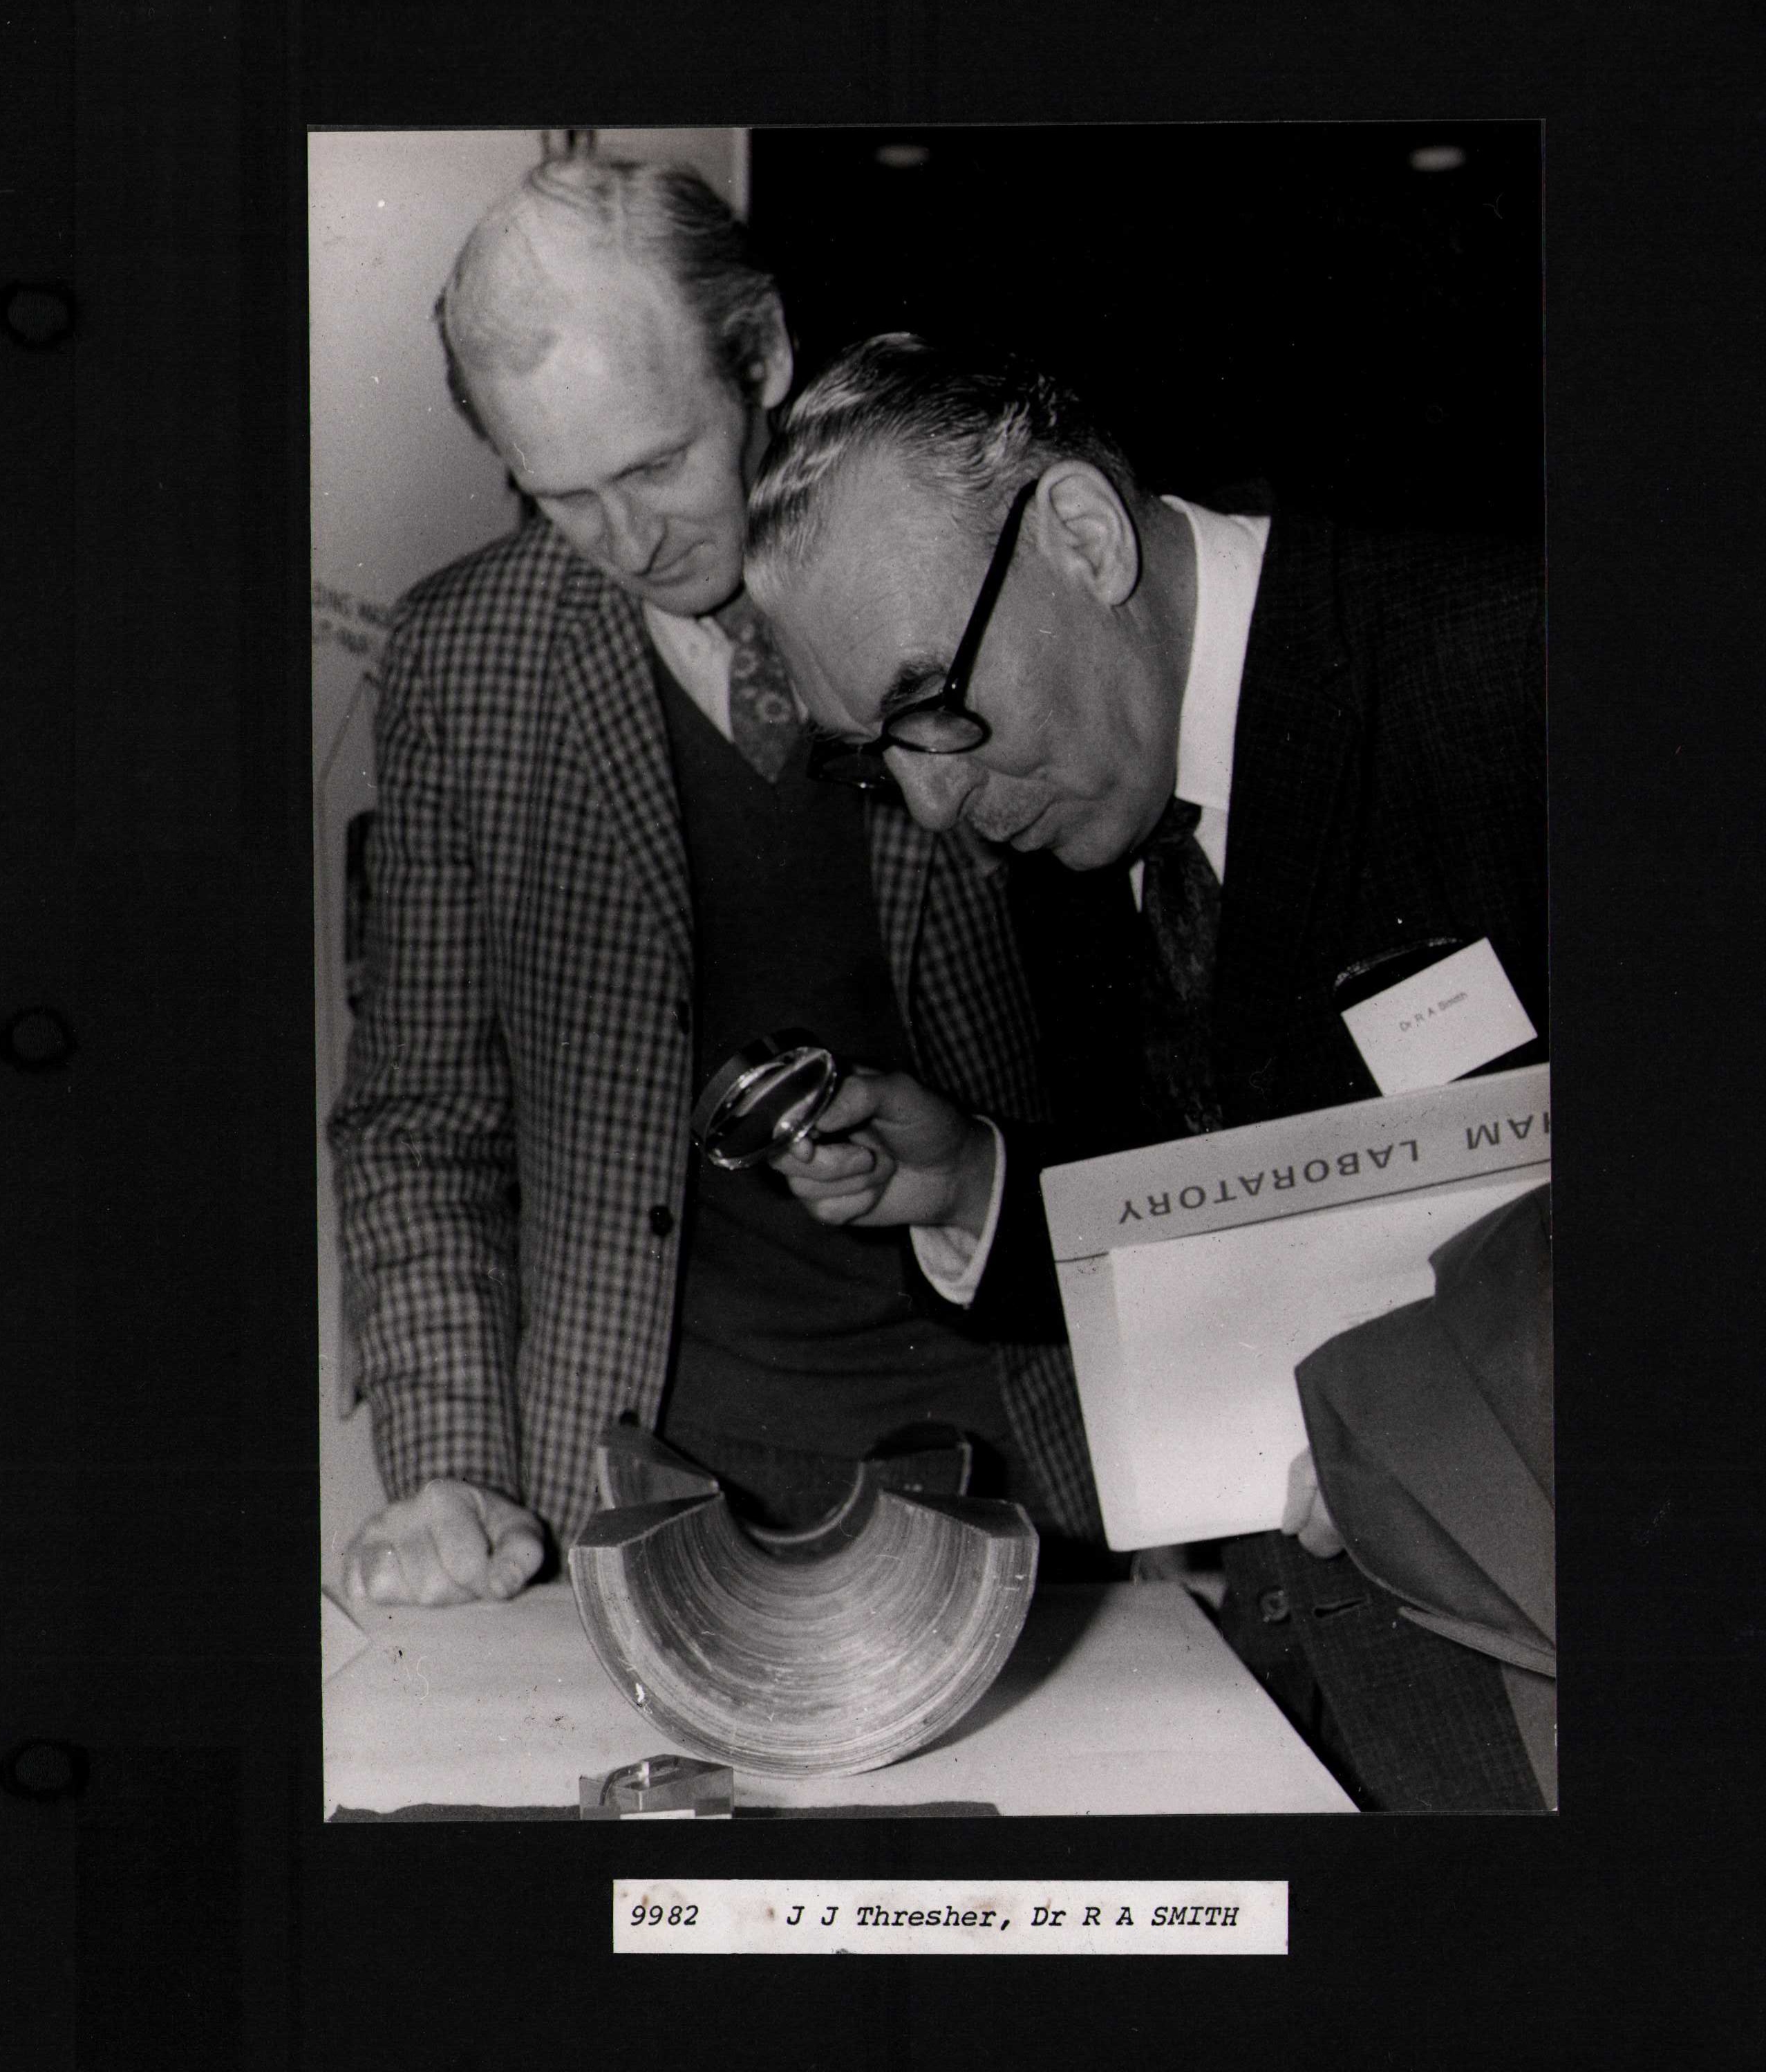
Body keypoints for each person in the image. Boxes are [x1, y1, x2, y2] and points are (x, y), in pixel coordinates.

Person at [742, 333, 1550, 1809]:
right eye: (876, 754)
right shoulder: (1075, 800)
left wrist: (1422, 1419)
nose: (937, 802)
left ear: (1084, 534)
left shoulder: (1524, 666)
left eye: (932, 703)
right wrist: (972, 1182)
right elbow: (1241, 1205)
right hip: (1317, 1706)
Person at [328, 166, 1106, 1612]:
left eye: (657, 465)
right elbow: (420, 1125)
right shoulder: (458, 661)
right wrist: (452, 1464)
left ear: (763, 355)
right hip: (626, 1474)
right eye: (563, 496)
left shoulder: (965, 586)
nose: (630, 541)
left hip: (1016, 1450)